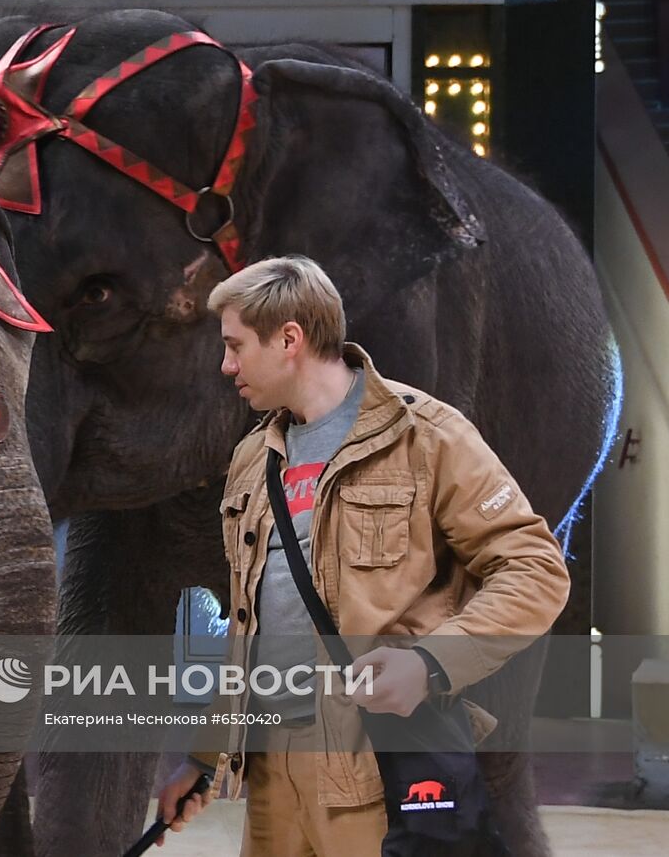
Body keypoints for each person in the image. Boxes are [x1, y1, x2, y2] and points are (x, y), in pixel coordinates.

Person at [155, 255, 569, 854]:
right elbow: (255, 622)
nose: (226, 366)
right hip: (273, 779)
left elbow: (535, 568)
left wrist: (430, 664)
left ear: (289, 339)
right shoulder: (253, 460)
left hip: (375, 772)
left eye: (235, 346)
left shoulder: (426, 435)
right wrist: (205, 755)